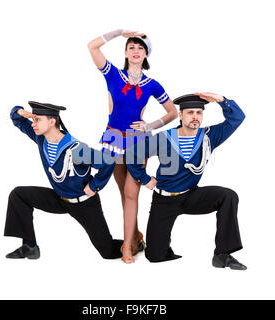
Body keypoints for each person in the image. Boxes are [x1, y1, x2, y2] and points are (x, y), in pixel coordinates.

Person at [127, 92, 247, 270]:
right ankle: (158, 243)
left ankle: (222, 255)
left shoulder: (209, 136)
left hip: (191, 195)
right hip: (164, 200)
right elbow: (132, 154)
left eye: (199, 113)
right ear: (181, 115)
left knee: (228, 196)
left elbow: (237, 118)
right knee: (154, 256)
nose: (195, 117)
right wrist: (145, 179)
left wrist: (221, 100)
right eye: (190, 113)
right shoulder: (163, 138)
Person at [88, 29, 178, 263]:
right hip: (114, 138)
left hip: (137, 140)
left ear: (146, 53)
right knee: (123, 192)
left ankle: (126, 246)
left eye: (140, 48)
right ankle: (135, 237)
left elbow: (172, 112)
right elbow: (92, 47)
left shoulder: (152, 84)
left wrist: (150, 126)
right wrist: (119, 32)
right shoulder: (113, 75)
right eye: (131, 47)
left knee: (131, 193)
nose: (136, 51)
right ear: (125, 53)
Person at [4, 101, 123, 260]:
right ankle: (30, 246)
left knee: (108, 252)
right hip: (60, 199)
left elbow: (108, 162)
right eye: (33, 120)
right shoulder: (41, 138)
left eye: (37, 119)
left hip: (84, 203)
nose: (33, 124)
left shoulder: (77, 149)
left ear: (52, 122)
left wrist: (94, 186)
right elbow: (16, 119)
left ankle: (133, 243)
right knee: (18, 194)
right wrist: (23, 113)